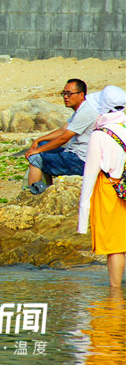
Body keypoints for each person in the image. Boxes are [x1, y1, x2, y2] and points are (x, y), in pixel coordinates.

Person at [78, 86, 126, 288]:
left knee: (115, 246)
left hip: (111, 190)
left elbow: (89, 176)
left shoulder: (99, 135)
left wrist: (82, 221)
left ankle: (115, 296)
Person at [25, 79, 98, 194]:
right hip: (74, 154)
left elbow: (64, 138)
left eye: (69, 94)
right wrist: (39, 140)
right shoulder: (81, 109)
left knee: (35, 157)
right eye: (64, 94)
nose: (65, 97)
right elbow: (64, 130)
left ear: (81, 94)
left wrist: (37, 151)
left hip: (79, 161)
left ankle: (33, 194)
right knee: (42, 145)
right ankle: (48, 189)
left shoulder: (86, 111)